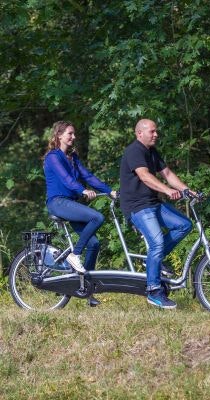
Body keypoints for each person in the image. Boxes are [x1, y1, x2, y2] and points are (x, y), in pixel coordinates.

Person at [119, 118, 193, 309]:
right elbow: (144, 176)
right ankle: (153, 291)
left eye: (156, 131)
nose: (156, 134)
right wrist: (168, 191)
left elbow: (167, 174)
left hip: (153, 203)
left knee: (184, 225)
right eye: (152, 131)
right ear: (139, 133)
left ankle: (153, 261)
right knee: (157, 242)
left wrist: (188, 190)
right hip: (137, 207)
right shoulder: (134, 151)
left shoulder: (152, 152)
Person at [43, 121, 117, 306]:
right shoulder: (53, 157)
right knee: (97, 217)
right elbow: (66, 180)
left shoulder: (72, 157)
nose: (73, 137)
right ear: (59, 135)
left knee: (94, 243)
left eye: (74, 134)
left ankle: (87, 291)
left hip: (69, 203)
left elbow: (88, 176)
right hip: (58, 202)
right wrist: (82, 190)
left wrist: (109, 190)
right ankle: (74, 255)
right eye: (70, 133)